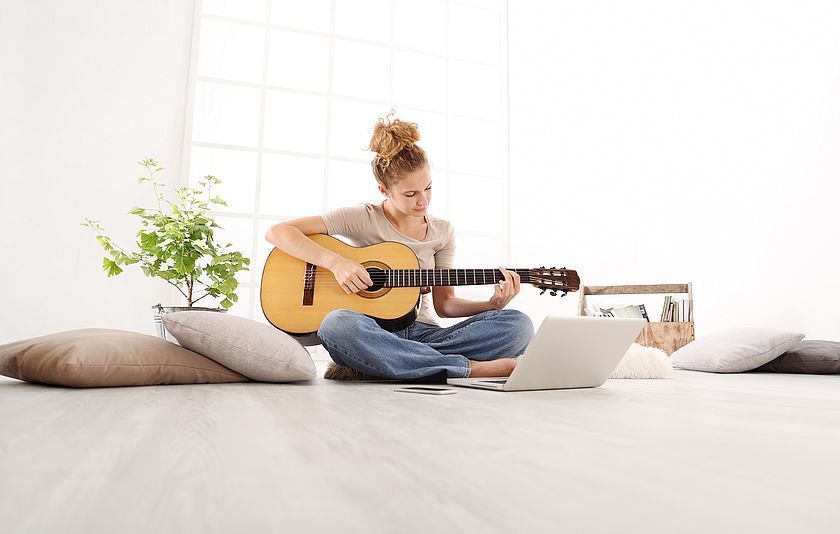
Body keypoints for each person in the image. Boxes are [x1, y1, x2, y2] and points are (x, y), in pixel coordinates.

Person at [264, 112, 534, 380]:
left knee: (518, 326)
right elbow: (278, 232)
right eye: (411, 194)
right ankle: (466, 368)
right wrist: (337, 263)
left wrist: (490, 304)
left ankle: (391, 360)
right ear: (384, 190)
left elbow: (445, 305)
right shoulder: (362, 217)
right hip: (368, 328)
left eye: (428, 188)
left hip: (423, 332)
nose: (423, 201)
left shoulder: (442, 232)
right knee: (336, 326)